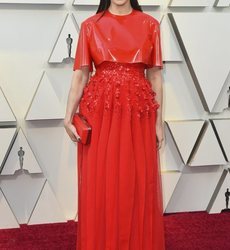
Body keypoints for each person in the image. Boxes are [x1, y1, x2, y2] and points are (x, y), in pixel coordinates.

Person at [64, 0, 166, 249]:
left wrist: (159, 123)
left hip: (138, 113)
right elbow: (80, 76)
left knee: (137, 180)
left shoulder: (150, 25)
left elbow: (155, 76)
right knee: (101, 180)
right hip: (100, 113)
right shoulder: (90, 26)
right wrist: (67, 117)